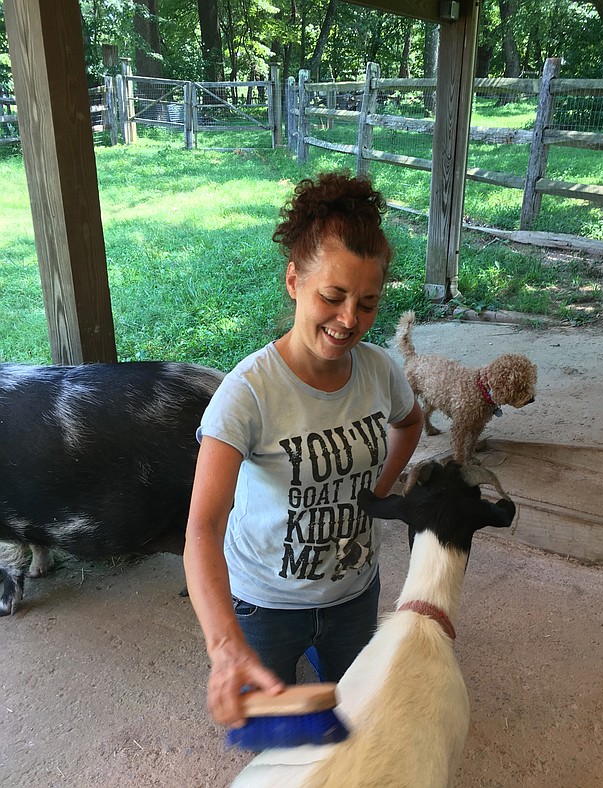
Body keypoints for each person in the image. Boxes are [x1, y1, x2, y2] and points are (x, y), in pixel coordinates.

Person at [183, 171, 423, 727]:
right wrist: (223, 645)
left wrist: (376, 494)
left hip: (354, 592)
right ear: (294, 280)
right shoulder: (246, 395)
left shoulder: (380, 370)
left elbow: (409, 425)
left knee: (351, 716)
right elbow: (202, 528)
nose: (349, 321)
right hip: (263, 603)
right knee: (275, 733)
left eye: (367, 303)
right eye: (332, 297)